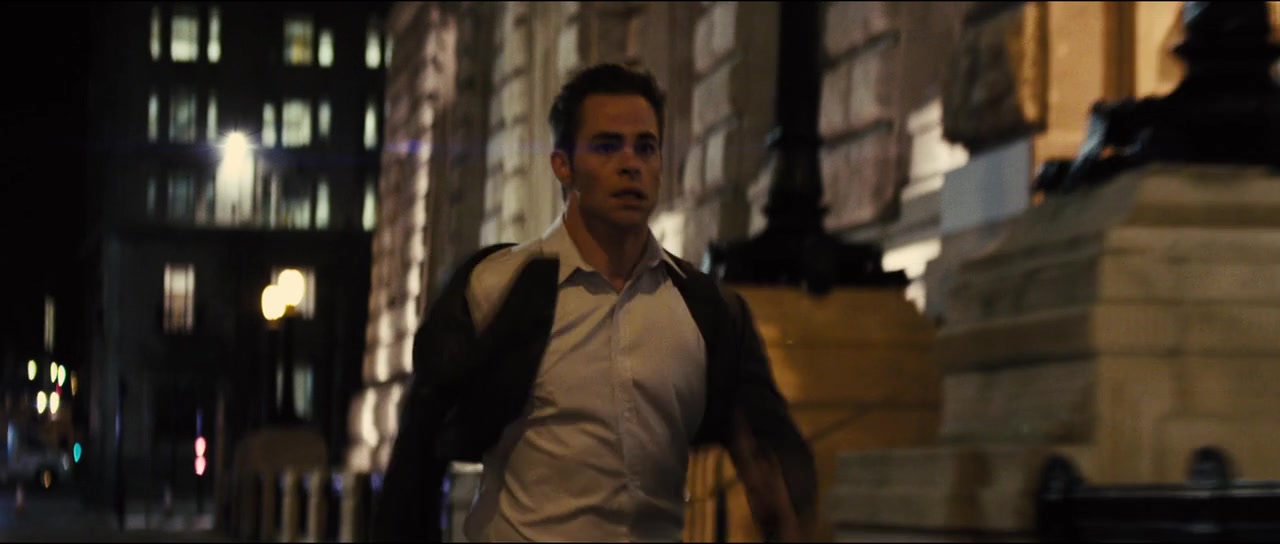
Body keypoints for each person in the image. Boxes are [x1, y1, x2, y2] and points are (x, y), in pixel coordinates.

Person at [373, 63, 816, 542]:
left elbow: (771, 466)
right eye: (607, 146)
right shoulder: (495, 286)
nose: (630, 164)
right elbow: (415, 465)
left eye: (645, 147)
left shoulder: (706, 309)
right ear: (562, 165)